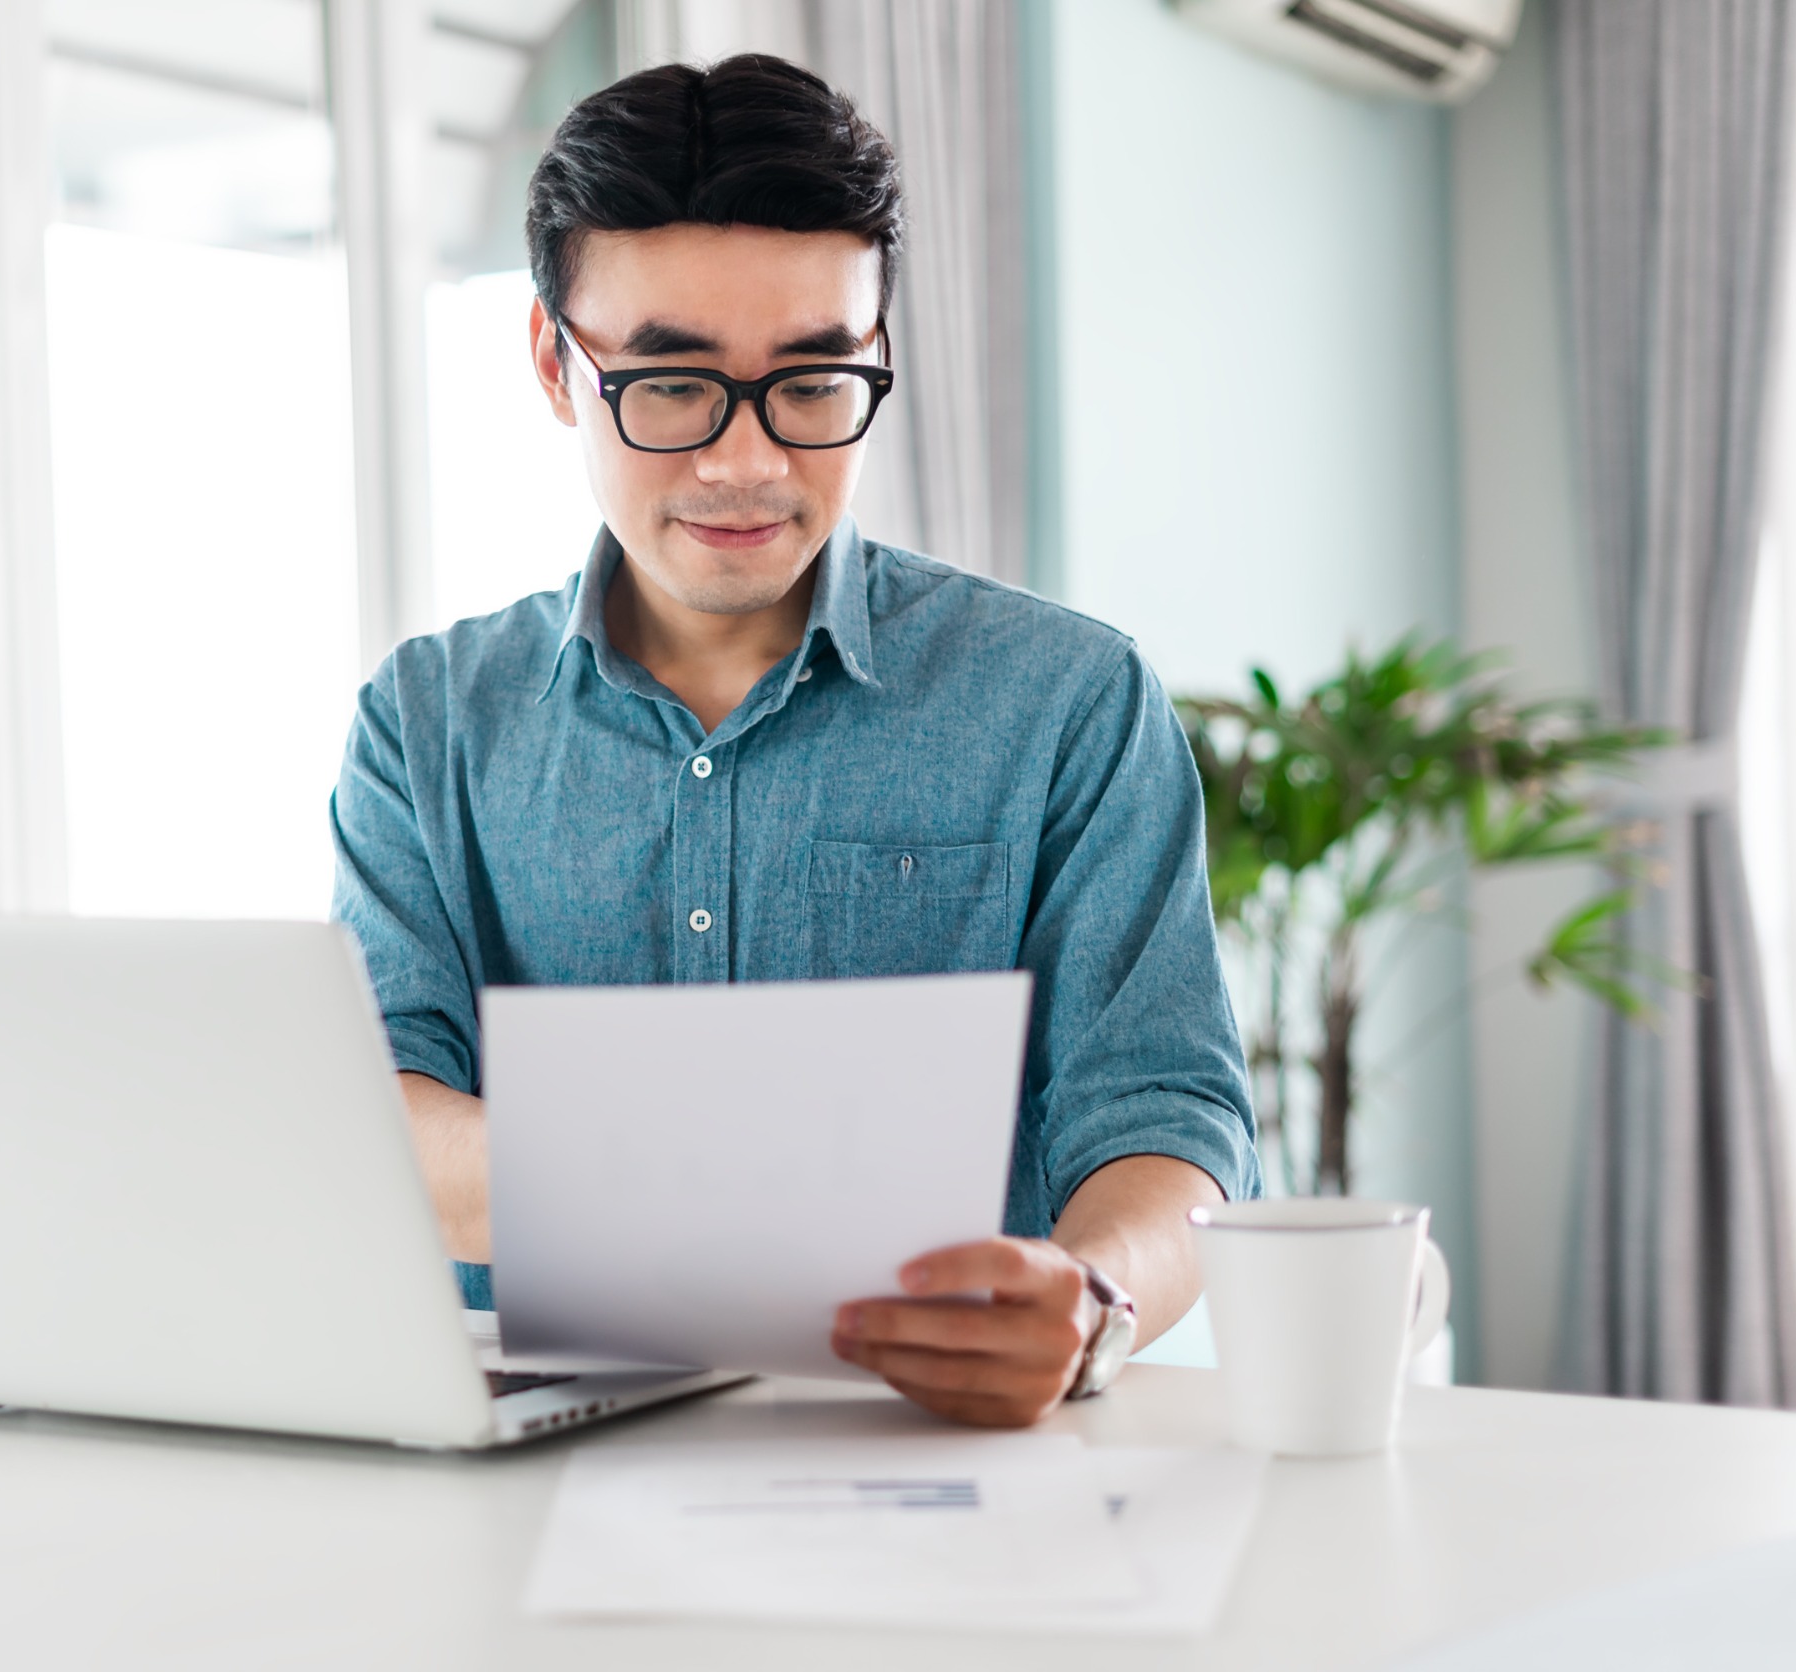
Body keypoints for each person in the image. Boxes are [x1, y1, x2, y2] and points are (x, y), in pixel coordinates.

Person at [331, 54, 1257, 1429]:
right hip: (537, 1469)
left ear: (879, 353)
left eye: (814, 382)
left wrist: (1094, 1303)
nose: (745, 464)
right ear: (553, 362)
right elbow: (376, 1118)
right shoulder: (427, 721)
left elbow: (1165, 1120)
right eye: (671, 385)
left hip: (952, 1465)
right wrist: (721, 1154)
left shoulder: (1068, 700)